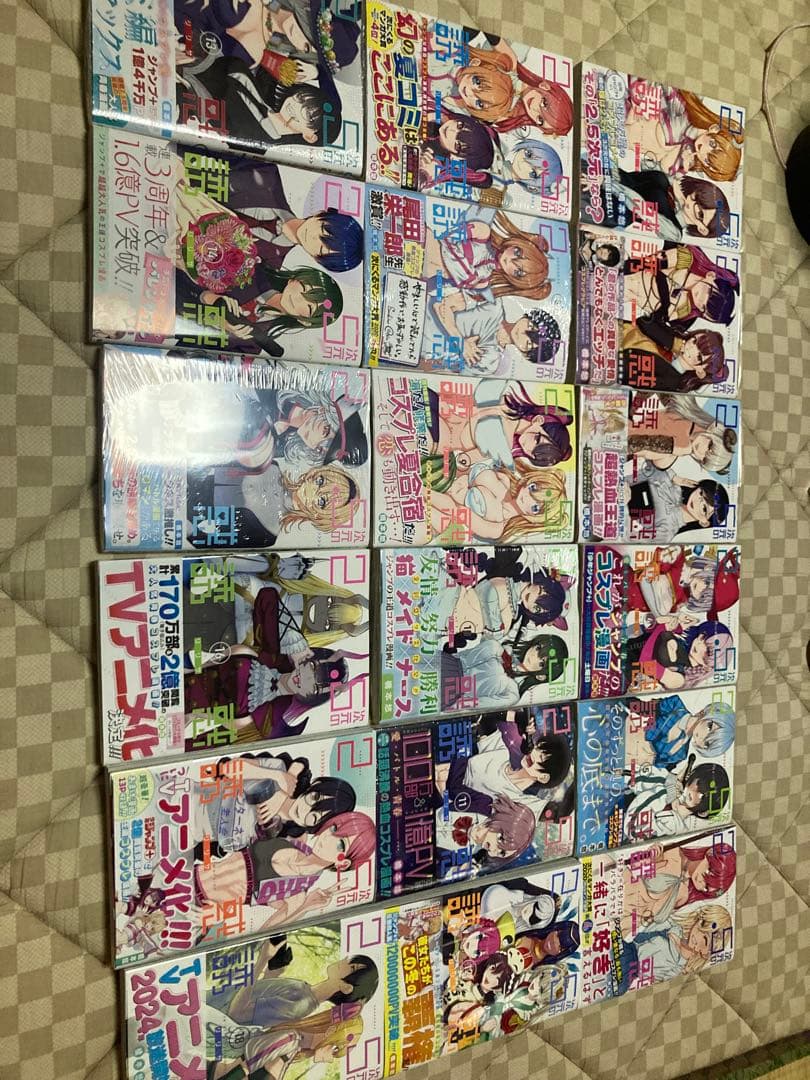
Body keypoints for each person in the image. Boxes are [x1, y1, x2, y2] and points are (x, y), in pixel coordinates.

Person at [623, 77, 744, 182]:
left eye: (707, 161)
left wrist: (682, 165)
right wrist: (639, 104)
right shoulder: (686, 114)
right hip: (628, 114)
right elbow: (659, 86)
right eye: (712, 144)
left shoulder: (689, 157)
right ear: (714, 129)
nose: (703, 151)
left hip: (625, 140)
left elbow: (664, 167)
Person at [621, 324, 728, 393]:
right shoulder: (672, 339)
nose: (691, 349)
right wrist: (673, 342)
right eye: (694, 341)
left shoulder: (672, 382)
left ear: (700, 371)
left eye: (699, 357)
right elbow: (644, 322)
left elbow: (632, 378)